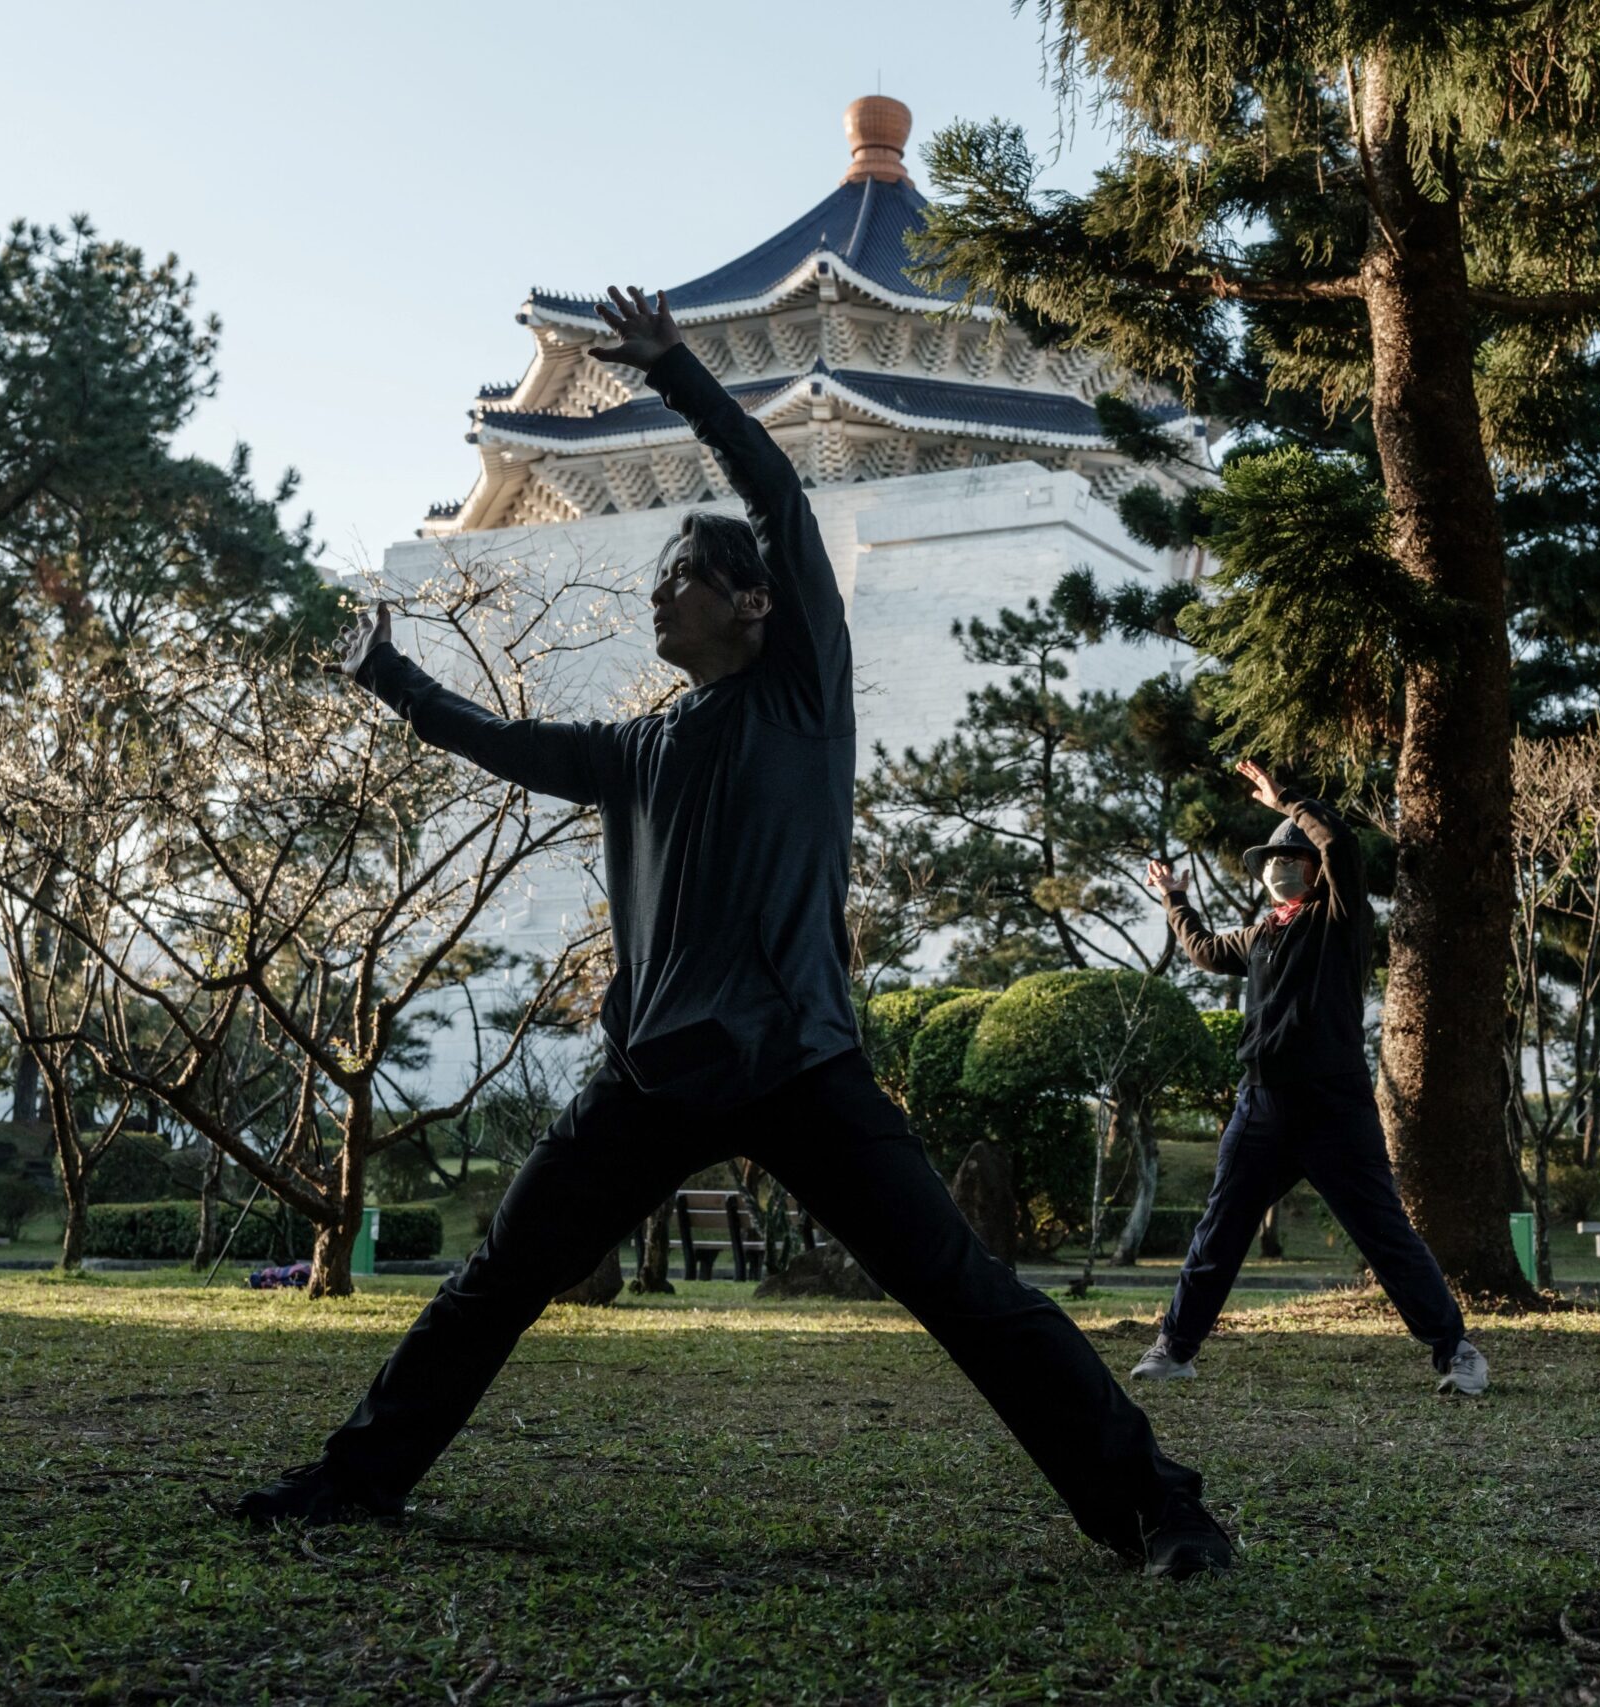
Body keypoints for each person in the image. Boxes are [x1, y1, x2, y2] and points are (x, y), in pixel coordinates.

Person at [234, 286, 1232, 1579]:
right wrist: (389, 671)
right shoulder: (640, 748)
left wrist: (682, 373)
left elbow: (780, 496)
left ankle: (1160, 1510)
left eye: (683, 580)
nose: (659, 596)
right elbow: (505, 743)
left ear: (754, 605)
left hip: (802, 1065)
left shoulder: (803, 684)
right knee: (494, 1280)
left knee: (973, 1299)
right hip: (652, 1077)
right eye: (658, 581)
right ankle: (355, 1480)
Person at [1135, 761, 1488, 1396]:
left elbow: (1342, 844)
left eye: (1290, 857)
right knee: (1221, 1227)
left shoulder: (1339, 920)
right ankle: (1176, 1348)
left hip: (1334, 1105)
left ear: (1311, 867)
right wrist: (1174, 896)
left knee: (1383, 1231)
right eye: (1271, 860)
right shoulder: (1263, 934)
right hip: (1261, 1106)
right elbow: (1205, 951)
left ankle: (1458, 1352)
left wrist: (1287, 801)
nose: (1278, 867)